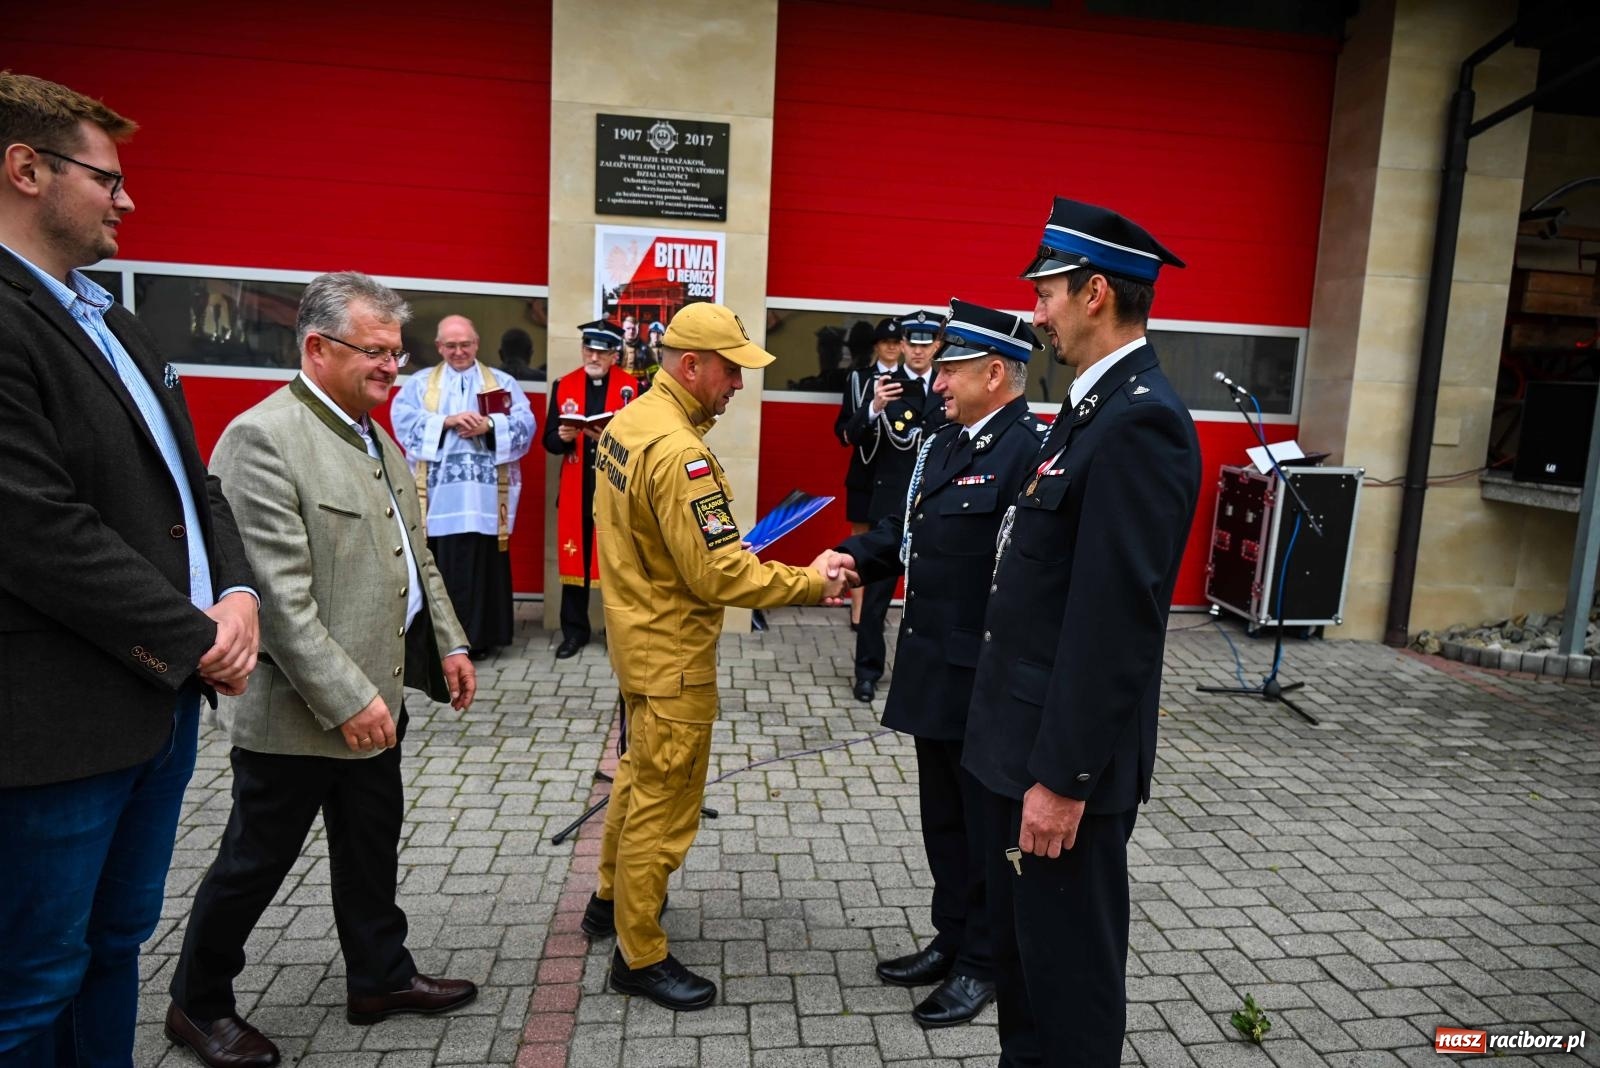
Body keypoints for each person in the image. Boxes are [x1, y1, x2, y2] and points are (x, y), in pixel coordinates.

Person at [0, 72, 260, 1067]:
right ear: (26, 169)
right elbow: (35, 529)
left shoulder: (113, 319)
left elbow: (194, 485)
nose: (128, 199)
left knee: (113, 951)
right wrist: (200, 635)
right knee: (28, 984)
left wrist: (236, 592)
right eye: (106, 177)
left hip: (155, 708)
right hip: (51, 728)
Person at [166, 273, 481, 1067]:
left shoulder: (369, 430)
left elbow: (416, 555)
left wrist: (449, 642)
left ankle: (380, 977)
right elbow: (278, 599)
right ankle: (197, 1004)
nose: (393, 368)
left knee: (372, 847)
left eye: (395, 352)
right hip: (301, 715)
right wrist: (349, 699)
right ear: (317, 346)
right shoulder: (264, 437)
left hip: (375, 704)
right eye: (376, 352)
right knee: (254, 862)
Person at [965, 198, 1201, 1066]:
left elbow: (1116, 625)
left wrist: (1061, 780)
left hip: (1061, 773)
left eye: (1047, 293)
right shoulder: (1090, 407)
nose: (1034, 313)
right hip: (1018, 745)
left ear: (1095, 292)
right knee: (1024, 972)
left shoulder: (1142, 422)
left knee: (1069, 988)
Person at [583, 302, 855, 1012]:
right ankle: (638, 954)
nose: (739, 384)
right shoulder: (682, 453)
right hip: (672, 651)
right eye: (732, 370)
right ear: (691, 366)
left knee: (637, 774)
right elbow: (719, 575)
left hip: (636, 640)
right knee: (665, 804)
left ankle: (608, 899)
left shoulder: (629, 423)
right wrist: (810, 582)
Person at [834, 300, 1045, 1029]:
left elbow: (1025, 582)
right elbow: (909, 529)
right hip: (934, 671)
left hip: (982, 682)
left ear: (996, 372)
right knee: (944, 824)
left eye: (952, 367)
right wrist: (853, 557)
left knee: (988, 832)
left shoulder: (1027, 451)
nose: (939, 378)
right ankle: (951, 938)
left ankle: (985, 962)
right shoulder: (951, 440)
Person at [391, 314, 536, 659]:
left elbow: (525, 423)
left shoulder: (501, 383)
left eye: (465, 344)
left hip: (484, 500)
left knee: (483, 567)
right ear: (440, 347)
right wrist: (447, 422)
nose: (459, 351)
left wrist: (488, 425)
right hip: (440, 501)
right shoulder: (420, 384)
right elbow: (404, 421)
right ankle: (440, 641)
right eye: (451, 345)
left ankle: (481, 639)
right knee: (441, 567)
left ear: (477, 344)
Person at [841, 310, 948, 702]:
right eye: (911, 343)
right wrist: (872, 408)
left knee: (934, 597)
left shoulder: (946, 387)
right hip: (889, 506)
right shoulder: (886, 386)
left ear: (936, 346)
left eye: (926, 344)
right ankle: (867, 673)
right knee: (875, 598)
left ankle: (926, 675)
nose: (918, 351)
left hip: (934, 505)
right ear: (901, 346)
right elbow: (850, 435)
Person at [542, 319, 638, 658]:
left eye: (601, 352)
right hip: (576, 492)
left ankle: (619, 635)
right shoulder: (564, 385)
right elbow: (549, 442)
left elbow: (643, 445)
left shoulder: (634, 388)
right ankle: (574, 633)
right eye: (588, 350)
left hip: (615, 494)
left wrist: (609, 439)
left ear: (615, 355)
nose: (593, 357)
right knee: (574, 561)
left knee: (618, 565)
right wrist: (563, 437)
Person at [834, 317, 900, 638]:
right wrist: (873, 408)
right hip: (863, 469)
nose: (891, 346)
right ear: (876, 346)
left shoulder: (913, 381)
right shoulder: (859, 379)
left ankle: (877, 608)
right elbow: (843, 428)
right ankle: (858, 608)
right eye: (885, 342)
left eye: (896, 341)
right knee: (860, 539)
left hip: (895, 473)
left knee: (889, 540)